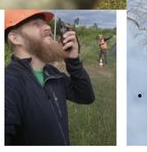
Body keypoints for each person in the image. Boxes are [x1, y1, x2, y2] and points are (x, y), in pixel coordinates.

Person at [5, 10, 94, 145]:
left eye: (46, 24)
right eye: (36, 24)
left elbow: (86, 96)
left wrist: (73, 60)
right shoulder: (9, 83)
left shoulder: (52, 73)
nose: (47, 27)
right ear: (15, 38)